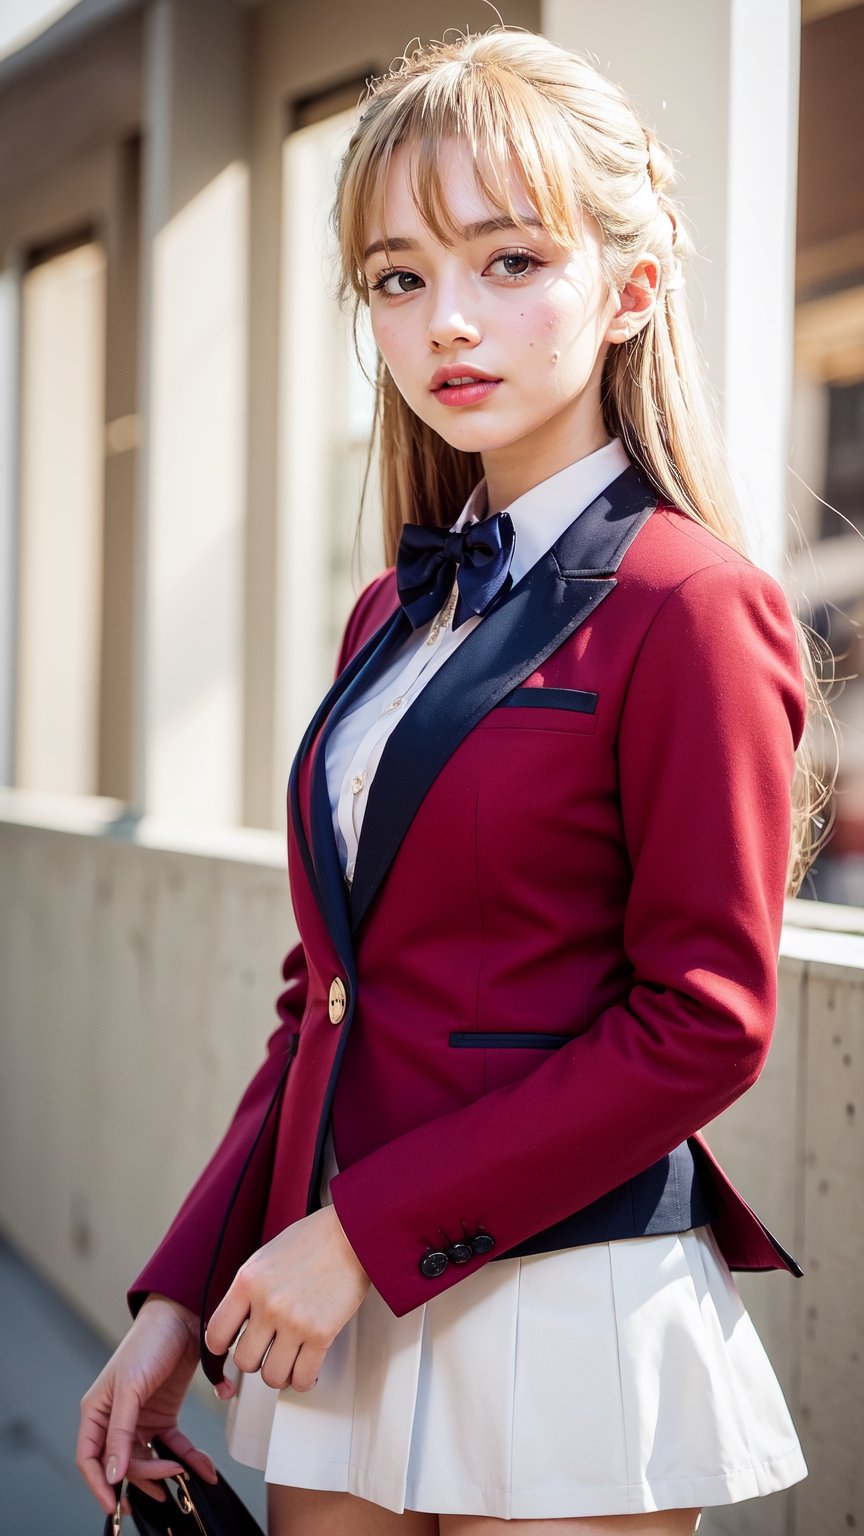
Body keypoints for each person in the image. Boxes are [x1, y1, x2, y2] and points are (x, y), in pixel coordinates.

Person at [77, 27, 828, 1536]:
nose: (446, 324)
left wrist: (363, 1233)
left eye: (507, 259)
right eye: (399, 278)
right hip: (332, 1316)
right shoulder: (388, 616)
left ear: (632, 287)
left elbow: (704, 1024)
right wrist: (180, 1287)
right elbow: (324, 1002)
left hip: (561, 1313)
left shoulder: (691, 605)